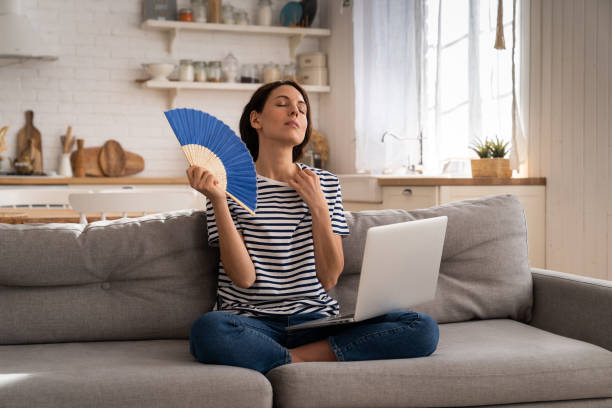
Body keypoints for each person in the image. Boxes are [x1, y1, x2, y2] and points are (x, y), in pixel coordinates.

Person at [186, 80, 439, 374]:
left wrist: (318, 206)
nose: (295, 111)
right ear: (256, 119)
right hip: (251, 321)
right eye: (282, 104)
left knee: (422, 328)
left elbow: (329, 277)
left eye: (302, 109)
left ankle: (289, 359)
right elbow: (243, 278)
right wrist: (217, 201)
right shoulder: (226, 187)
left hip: (314, 322)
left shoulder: (326, 184)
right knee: (208, 330)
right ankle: (307, 359)